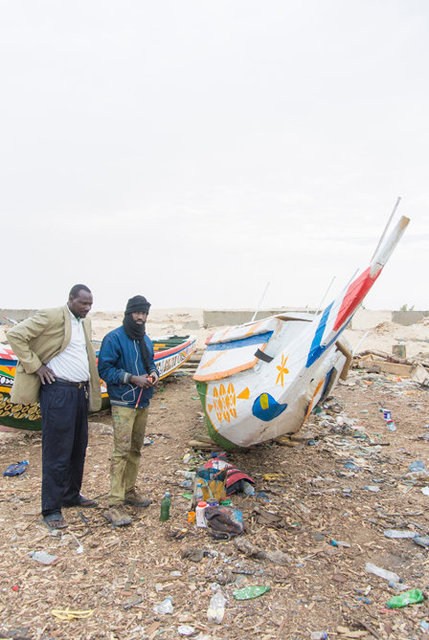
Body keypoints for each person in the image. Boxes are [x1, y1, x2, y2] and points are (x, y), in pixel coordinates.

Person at [7, 285, 102, 530]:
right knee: (57, 451)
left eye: (90, 304)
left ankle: (71, 495)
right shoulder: (51, 316)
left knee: (77, 448)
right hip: (58, 392)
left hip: (79, 392)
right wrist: (36, 366)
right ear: (71, 300)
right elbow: (16, 335)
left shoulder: (84, 322)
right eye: (83, 303)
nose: (87, 308)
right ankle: (51, 509)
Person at [98, 295, 159, 527]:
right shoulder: (113, 338)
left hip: (143, 401)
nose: (141, 317)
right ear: (128, 313)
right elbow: (105, 369)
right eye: (137, 313)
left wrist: (153, 375)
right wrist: (133, 378)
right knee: (121, 452)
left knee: (135, 450)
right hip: (123, 403)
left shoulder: (146, 340)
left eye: (144, 313)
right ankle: (114, 504)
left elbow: (151, 364)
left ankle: (129, 491)